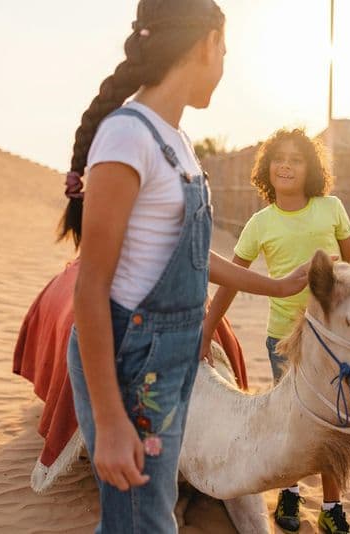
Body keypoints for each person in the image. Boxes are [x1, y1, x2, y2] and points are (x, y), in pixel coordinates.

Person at [59, 2, 308, 532]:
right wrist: (109, 420)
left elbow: (192, 256)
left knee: (147, 512)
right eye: (225, 50)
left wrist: (277, 285)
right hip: (131, 363)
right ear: (207, 43)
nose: (224, 66)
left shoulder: (178, 140)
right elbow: (90, 287)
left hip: (172, 362)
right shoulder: (128, 137)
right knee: (141, 520)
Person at [201, 128, 350, 533]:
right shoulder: (260, 223)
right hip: (284, 340)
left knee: (332, 420)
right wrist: (207, 329)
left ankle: (331, 506)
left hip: (333, 338)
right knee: (293, 419)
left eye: (297, 159)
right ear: (267, 168)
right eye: (279, 158)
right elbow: (230, 280)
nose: (286, 165)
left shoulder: (332, 209)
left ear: (311, 168)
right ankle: (290, 492)